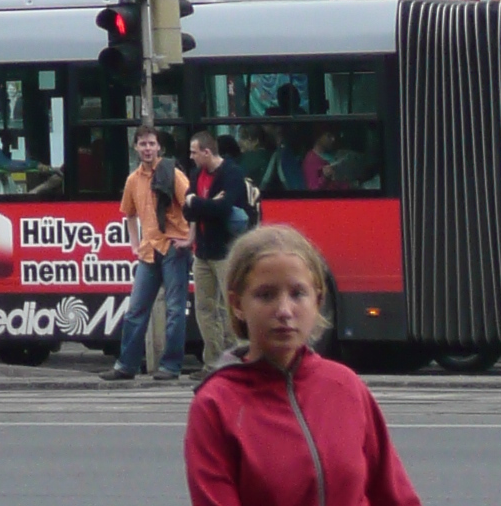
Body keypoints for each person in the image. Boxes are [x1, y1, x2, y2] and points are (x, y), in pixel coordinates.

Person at [184, 224, 421, 506]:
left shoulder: (346, 387)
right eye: (266, 295)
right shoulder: (215, 406)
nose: (284, 311)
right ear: (237, 304)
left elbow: (394, 495)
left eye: (298, 294)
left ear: (318, 301)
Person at [103, 126, 192, 383]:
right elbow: (129, 213)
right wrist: (133, 243)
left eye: (151, 144)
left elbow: (192, 205)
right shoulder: (133, 180)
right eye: (143, 144)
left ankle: (171, 367)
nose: (147, 148)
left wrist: (189, 238)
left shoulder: (172, 174)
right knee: (135, 310)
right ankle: (126, 365)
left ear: (159, 147)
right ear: (136, 147)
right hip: (148, 250)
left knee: (175, 310)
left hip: (173, 248)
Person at [188, 131, 254, 366]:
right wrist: (206, 204)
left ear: (207, 152)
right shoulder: (196, 174)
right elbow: (186, 210)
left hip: (226, 251)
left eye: (194, 152)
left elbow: (224, 208)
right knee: (204, 308)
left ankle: (232, 360)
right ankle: (212, 362)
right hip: (202, 252)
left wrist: (197, 203)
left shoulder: (232, 173)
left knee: (229, 306)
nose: (191, 157)